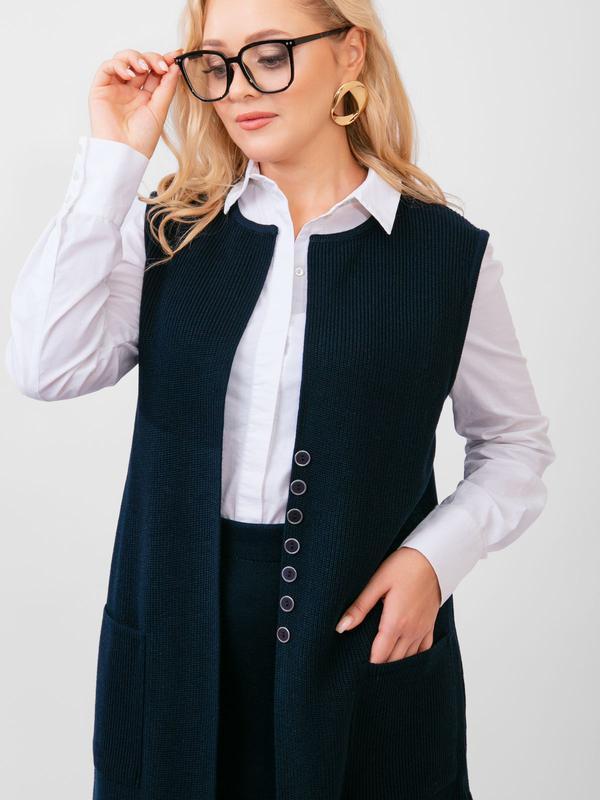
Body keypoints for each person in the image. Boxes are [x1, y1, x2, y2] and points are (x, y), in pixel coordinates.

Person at [5, 0, 556, 798]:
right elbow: (45, 365)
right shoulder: (170, 231)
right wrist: (113, 160)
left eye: (269, 55)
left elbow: (515, 446)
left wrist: (433, 563)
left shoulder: (446, 256)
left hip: (361, 651)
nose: (237, 89)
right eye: (215, 64)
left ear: (351, 53)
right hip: (174, 646)